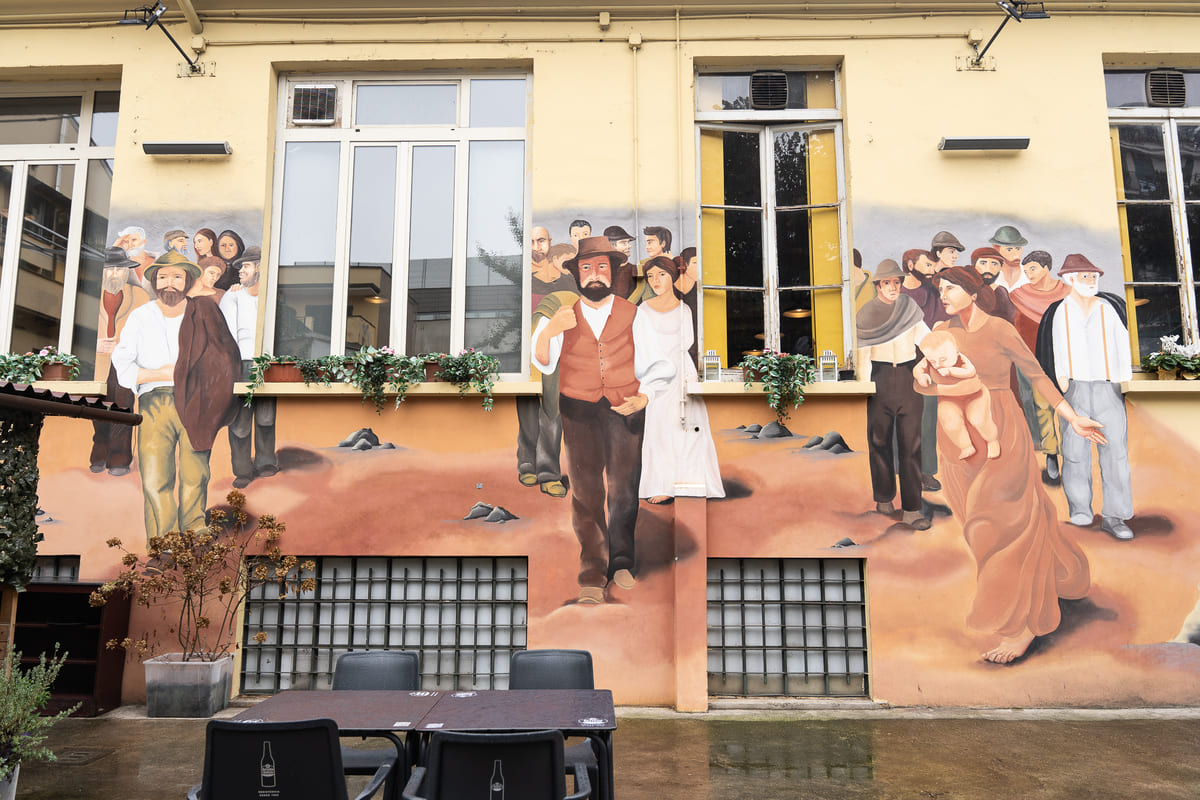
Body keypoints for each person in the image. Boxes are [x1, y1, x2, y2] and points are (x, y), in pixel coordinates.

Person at [930, 266, 1104, 663]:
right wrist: (925, 375)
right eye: (940, 288)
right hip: (956, 438)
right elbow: (922, 384)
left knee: (1003, 525)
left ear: (972, 292)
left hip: (1000, 428)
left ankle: (1024, 623)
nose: (942, 294)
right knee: (984, 524)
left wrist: (1072, 416)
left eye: (950, 288)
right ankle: (1056, 576)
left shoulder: (999, 330)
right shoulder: (943, 330)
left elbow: (1036, 375)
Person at [532, 236, 649, 604]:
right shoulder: (563, 316)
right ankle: (592, 571)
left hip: (624, 406)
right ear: (577, 275)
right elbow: (541, 361)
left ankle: (623, 561)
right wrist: (551, 330)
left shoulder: (635, 314)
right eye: (586, 268)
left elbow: (656, 363)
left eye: (601, 267)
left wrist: (645, 396)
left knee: (625, 488)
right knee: (585, 491)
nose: (594, 275)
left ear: (612, 272)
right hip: (578, 408)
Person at [111, 250, 241, 543]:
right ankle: (164, 541)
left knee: (196, 473)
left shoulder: (205, 311)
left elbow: (225, 355)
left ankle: (194, 528)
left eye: (177, 277)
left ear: (188, 280)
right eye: (163, 277)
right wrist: (160, 373)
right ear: (155, 281)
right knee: (156, 476)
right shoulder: (140, 316)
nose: (169, 283)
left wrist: (206, 385)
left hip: (198, 400)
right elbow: (123, 362)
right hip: (154, 401)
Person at [1036, 254, 1134, 541]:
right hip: (1074, 388)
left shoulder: (1109, 308)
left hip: (1108, 387)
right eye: (1085, 276)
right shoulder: (1059, 311)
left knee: (1115, 452)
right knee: (1075, 453)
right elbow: (1053, 349)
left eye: (1094, 276)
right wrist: (1062, 383)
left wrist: (1121, 380)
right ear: (1069, 279)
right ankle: (1080, 509)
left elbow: (1123, 344)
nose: (1091, 281)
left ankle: (1116, 516)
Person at [633, 255, 724, 503]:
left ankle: (693, 479)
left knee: (689, 427)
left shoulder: (684, 310)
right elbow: (641, 347)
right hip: (657, 376)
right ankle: (662, 484)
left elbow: (688, 342)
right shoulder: (643, 311)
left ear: (672, 276)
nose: (656, 281)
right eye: (650, 276)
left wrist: (679, 371)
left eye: (661, 275)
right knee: (659, 429)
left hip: (683, 373)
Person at [856, 259, 931, 530]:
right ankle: (884, 498)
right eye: (887, 283)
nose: (892, 288)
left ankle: (912, 509)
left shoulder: (910, 309)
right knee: (879, 440)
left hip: (909, 377)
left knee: (911, 443)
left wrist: (942, 358)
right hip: (880, 378)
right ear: (878, 285)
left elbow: (927, 340)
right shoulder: (866, 314)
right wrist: (865, 386)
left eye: (896, 283)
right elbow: (863, 355)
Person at [516, 228, 576, 498]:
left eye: (541, 240)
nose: (536, 246)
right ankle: (527, 463)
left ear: (550, 245)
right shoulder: (523, 279)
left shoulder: (568, 280)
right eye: (530, 241)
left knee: (553, 411)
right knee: (528, 409)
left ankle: (549, 471)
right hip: (524, 352)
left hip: (555, 349)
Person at [220, 247, 279, 489]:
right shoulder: (232, 296)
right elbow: (226, 336)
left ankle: (266, 461)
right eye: (241, 267)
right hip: (241, 363)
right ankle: (242, 469)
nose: (241, 271)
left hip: (268, 364)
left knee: (266, 417)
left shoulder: (271, 297)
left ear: (260, 268)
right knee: (241, 422)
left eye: (246, 266)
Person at [90, 246, 151, 476]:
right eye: (109, 269)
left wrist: (125, 347)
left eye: (119, 268)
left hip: (125, 361)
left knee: (123, 406)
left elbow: (148, 333)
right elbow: (74, 330)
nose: (114, 273)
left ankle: (119, 457)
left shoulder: (141, 297)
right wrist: (93, 345)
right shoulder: (89, 294)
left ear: (126, 272)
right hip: (96, 361)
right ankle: (100, 448)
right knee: (96, 405)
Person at [1010, 251, 1070, 481]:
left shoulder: (1067, 293)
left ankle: (1070, 454)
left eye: (1032, 269)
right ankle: (1051, 454)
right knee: (1043, 408)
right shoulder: (1019, 296)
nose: (1029, 275)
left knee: (1068, 407)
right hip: (1035, 361)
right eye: (1026, 271)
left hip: (1064, 360)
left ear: (1046, 267)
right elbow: (1015, 328)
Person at [900, 247, 947, 492]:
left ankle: (927, 471)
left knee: (928, 418)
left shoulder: (932, 292)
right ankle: (902, 467)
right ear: (910, 265)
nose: (932, 270)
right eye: (927, 265)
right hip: (899, 363)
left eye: (932, 265)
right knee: (902, 416)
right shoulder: (895, 292)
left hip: (929, 361)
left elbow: (940, 323)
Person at [914, 329, 999, 460]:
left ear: (956, 351)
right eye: (933, 361)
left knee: (978, 419)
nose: (937, 365)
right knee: (949, 421)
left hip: (975, 395)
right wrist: (921, 375)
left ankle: (992, 440)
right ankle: (966, 446)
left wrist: (951, 371)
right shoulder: (928, 360)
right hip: (949, 399)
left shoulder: (962, 359)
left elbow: (970, 371)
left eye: (943, 359)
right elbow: (917, 369)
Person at [988, 225, 1030, 292]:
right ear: (996, 248)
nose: (1016, 255)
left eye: (1018, 248)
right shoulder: (989, 276)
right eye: (1009, 250)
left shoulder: (1030, 274)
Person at [603, 224, 637, 299]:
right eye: (624, 243)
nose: (629, 246)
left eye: (628, 242)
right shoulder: (602, 270)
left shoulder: (634, 269)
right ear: (611, 246)